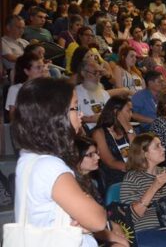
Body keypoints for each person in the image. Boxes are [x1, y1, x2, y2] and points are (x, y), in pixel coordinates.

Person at [13, 78, 107, 247]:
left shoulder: (28, 157)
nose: (81, 114)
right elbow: (98, 220)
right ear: (56, 115)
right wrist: (86, 202)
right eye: (75, 107)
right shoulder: (50, 166)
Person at [74, 136, 130, 246]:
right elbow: (86, 225)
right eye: (90, 155)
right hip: (81, 236)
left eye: (96, 153)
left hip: (95, 231)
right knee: (121, 243)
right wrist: (112, 235)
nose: (97, 157)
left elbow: (100, 213)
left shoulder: (91, 181)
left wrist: (113, 224)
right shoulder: (73, 186)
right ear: (76, 158)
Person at [91, 96, 135, 187]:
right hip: (114, 175)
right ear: (116, 112)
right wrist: (133, 168)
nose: (131, 115)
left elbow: (138, 152)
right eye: (128, 111)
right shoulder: (99, 133)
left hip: (132, 170)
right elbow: (110, 162)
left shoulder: (128, 129)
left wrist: (128, 128)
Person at [5, 53, 48, 121]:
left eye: (43, 66)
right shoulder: (16, 89)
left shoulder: (47, 89)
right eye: (38, 67)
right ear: (26, 71)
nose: (43, 70)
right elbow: (13, 117)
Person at [76, 61, 111, 131]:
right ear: (83, 73)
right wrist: (89, 119)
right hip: (89, 131)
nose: (98, 75)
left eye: (100, 73)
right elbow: (73, 116)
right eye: (95, 72)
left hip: (107, 130)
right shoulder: (75, 93)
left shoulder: (105, 94)